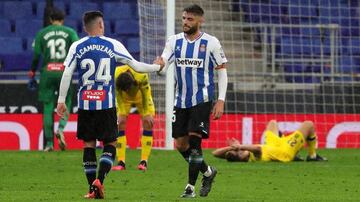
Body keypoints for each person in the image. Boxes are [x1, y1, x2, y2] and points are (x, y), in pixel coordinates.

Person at [56, 11, 163, 199]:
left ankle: (92, 189)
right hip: (106, 105)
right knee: (110, 143)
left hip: (86, 105)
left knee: (88, 145)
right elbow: (137, 66)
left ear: (85, 28)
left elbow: (67, 74)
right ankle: (100, 181)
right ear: (101, 25)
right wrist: (157, 67)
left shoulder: (77, 46)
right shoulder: (113, 44)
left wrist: (61, 101)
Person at [158, 4, 228, 198]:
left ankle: (190, 187)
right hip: (180, 101)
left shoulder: (211, 42)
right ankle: (208, 172)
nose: (185, 22)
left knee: (195, 141)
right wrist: (159, 64)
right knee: (180, 144)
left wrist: (220, 100)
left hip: (202, 99)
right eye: (183, 18)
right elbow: (164, 62)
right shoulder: (174, 41)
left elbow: (222, 73)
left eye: (190, 19)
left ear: (200, 20)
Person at [28, 8, 79, 152]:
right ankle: (61, 129)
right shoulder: (70, 32)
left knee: (48, 107)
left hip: (47, 72)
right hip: (64, 72)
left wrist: (32, 70)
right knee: (66, 101)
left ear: (50, 19)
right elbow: (77, 49)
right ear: (63, 19)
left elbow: (37, 54)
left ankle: (49, 144)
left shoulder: (42, 33)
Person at [212, 120, 328, 163]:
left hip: (274, 145)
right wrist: (239, 146)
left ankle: (296, 151)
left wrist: (232, 147)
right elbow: (257, 148)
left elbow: (215, 153)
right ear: (242, 157)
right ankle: (312, 156)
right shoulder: (254, 156)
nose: (240, 151)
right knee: (309, 125)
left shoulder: (243, 153)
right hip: (285, 151)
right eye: (239, 152)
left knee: (272, 123)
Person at [112, 65, 155, 171]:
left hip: (141, 96)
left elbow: (146, 94)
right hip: (124, 99)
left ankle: (144, 161)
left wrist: (147, 113)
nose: (128, 91)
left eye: (128, 89)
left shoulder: (141, 74)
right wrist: (121, 113)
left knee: (148, 123)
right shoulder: (116, 75)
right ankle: (121, 162)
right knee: (120, 123)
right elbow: (118, 96)